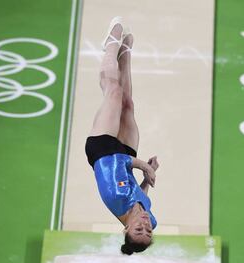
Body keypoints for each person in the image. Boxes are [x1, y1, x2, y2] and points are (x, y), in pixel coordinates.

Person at [85, 16, 159, 255]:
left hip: (104, 151)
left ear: (125, 229)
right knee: (128, 104)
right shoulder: (150, 216)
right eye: (148, 233)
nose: (146, 227)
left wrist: (144, 169)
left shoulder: (115, 197)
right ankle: (126, 51)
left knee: (114, 93)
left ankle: (111, 45)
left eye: (138, 231)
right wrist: (147, 179)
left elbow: (118, 162)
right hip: (125, 163)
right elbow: (140, 197)